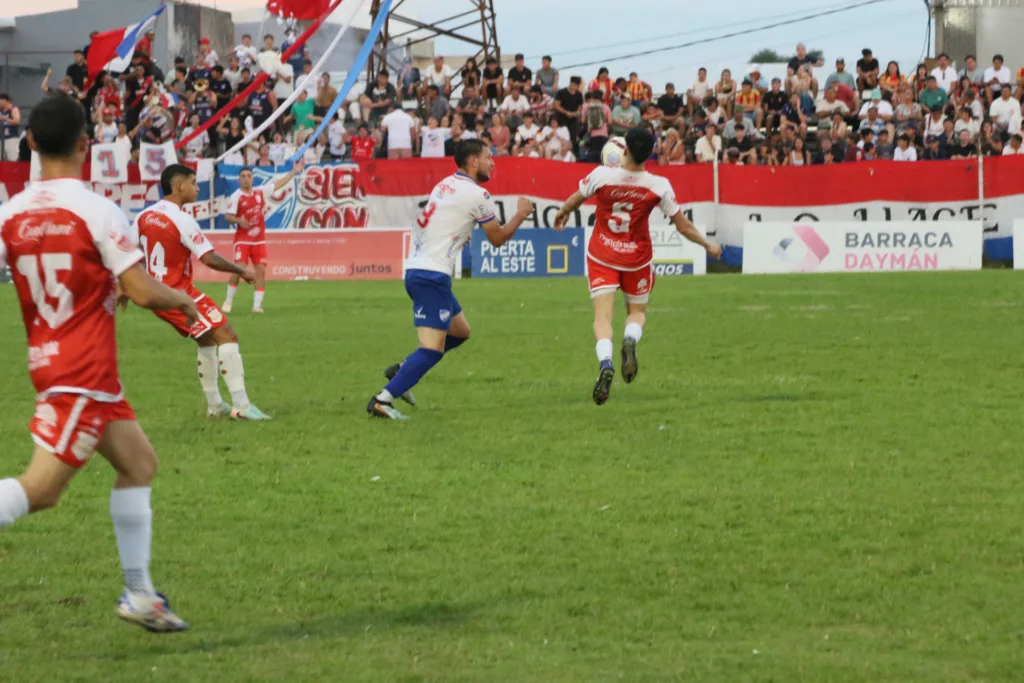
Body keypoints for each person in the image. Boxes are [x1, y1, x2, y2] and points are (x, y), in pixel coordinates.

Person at [0, 93, 197, 632]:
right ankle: (138, 594)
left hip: (59, 364)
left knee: (139, 464)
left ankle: (140, 594)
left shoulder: (12, 213)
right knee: (41, 490)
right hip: (81, 371)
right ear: (86, 144)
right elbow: (142, 289)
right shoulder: (97, 210)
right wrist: (182, 299)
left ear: (30, 142)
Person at [552, 128, 721, 405]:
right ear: (651, 153)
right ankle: (630, 339)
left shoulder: (602, 175)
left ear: (625, 150)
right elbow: (683, 226)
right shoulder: (658, 185)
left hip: (603, 255)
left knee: (602, 318)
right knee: (637, 313)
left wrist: (563, 211)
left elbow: (576, 198)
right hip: (637, 259)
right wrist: (707, 245)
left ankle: (606, 363)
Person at [368, 140, 533, 420]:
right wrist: (521, 213)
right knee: (432, 349)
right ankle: (382, 400)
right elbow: (497, 238)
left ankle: (404, 370)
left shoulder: (445, 185)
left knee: (460, 331)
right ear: (473, 161)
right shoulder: (477, 194)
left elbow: (438, 223)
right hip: (431, 275)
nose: (492, 162)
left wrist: (457, 237)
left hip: (420, 269)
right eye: (488, 157)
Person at [130, 164, 269, 420]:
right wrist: (243, 271)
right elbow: (209, 258)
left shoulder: (144, 216)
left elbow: (130, 253)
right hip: (177, 295)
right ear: (178, 186)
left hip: (157, 292)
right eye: (193, 183)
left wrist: (124, 288)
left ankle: (215, 406)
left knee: (206, 340)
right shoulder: (181, 219)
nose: (197, 189)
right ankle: (242, 405)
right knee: (227, 335)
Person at [222, 164, 302, 314]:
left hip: (259, 240)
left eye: (249, 176)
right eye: (243, 176)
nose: (246, 179)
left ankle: (257, 306)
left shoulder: (259, 192)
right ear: (239, 180)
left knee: (261, 270)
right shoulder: (236, 197)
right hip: (242, 240)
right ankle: (228, 300)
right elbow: (227, 216)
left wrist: (293, 172)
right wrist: (239, 220)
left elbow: (278, 184)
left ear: (253, 178)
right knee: (238, 268)